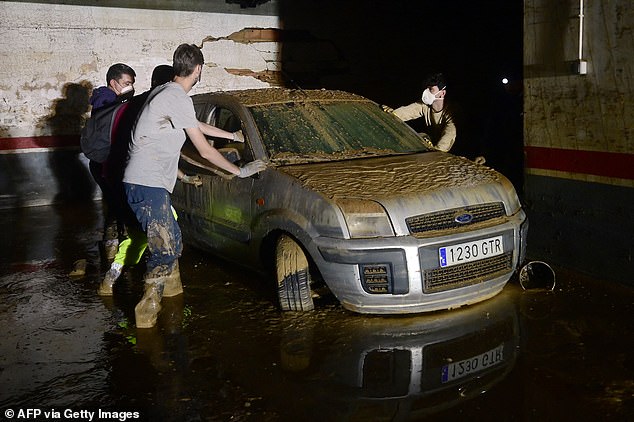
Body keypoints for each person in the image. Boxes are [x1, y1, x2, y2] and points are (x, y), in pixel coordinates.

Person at [123, 43, 266, 328]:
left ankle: (174, 296)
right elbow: (204, 150)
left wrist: (233, 135)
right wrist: (239, 170)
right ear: (198, 69)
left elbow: (196, 125)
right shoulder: (176, 97)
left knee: (171, 240)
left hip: (147, 182)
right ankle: (146, 315)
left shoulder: (166, 93)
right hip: (146, 184)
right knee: (165, 247)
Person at [97, 65, 204, 296]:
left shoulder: (144, 106)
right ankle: (144, 297)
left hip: (124, 178)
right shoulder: (152, 107)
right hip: (138, 181)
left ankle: (111, 277)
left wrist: (183, 175)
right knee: (156, 236)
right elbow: (153, 152)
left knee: (139, 234)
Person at [88, 63, 137, 260]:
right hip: (106, 163)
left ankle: (110, 246)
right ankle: (119, 248)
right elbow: (108, 117)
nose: (130, 87)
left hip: (101, 162)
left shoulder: (108, 98)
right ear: (113, 83)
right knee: (119, 203)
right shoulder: (107, 98)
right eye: (126, 83)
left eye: (132, 83)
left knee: (114, 203)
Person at [384, 73, 457, 152]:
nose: (426, 92)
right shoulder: (424, 105)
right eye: (426, 88)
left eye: (431, 89)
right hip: (433, 143)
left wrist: (437, 151)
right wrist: (391, 114)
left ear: (442, 93)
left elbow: (450, 133)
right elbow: (410, 110)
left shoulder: (452, 111)